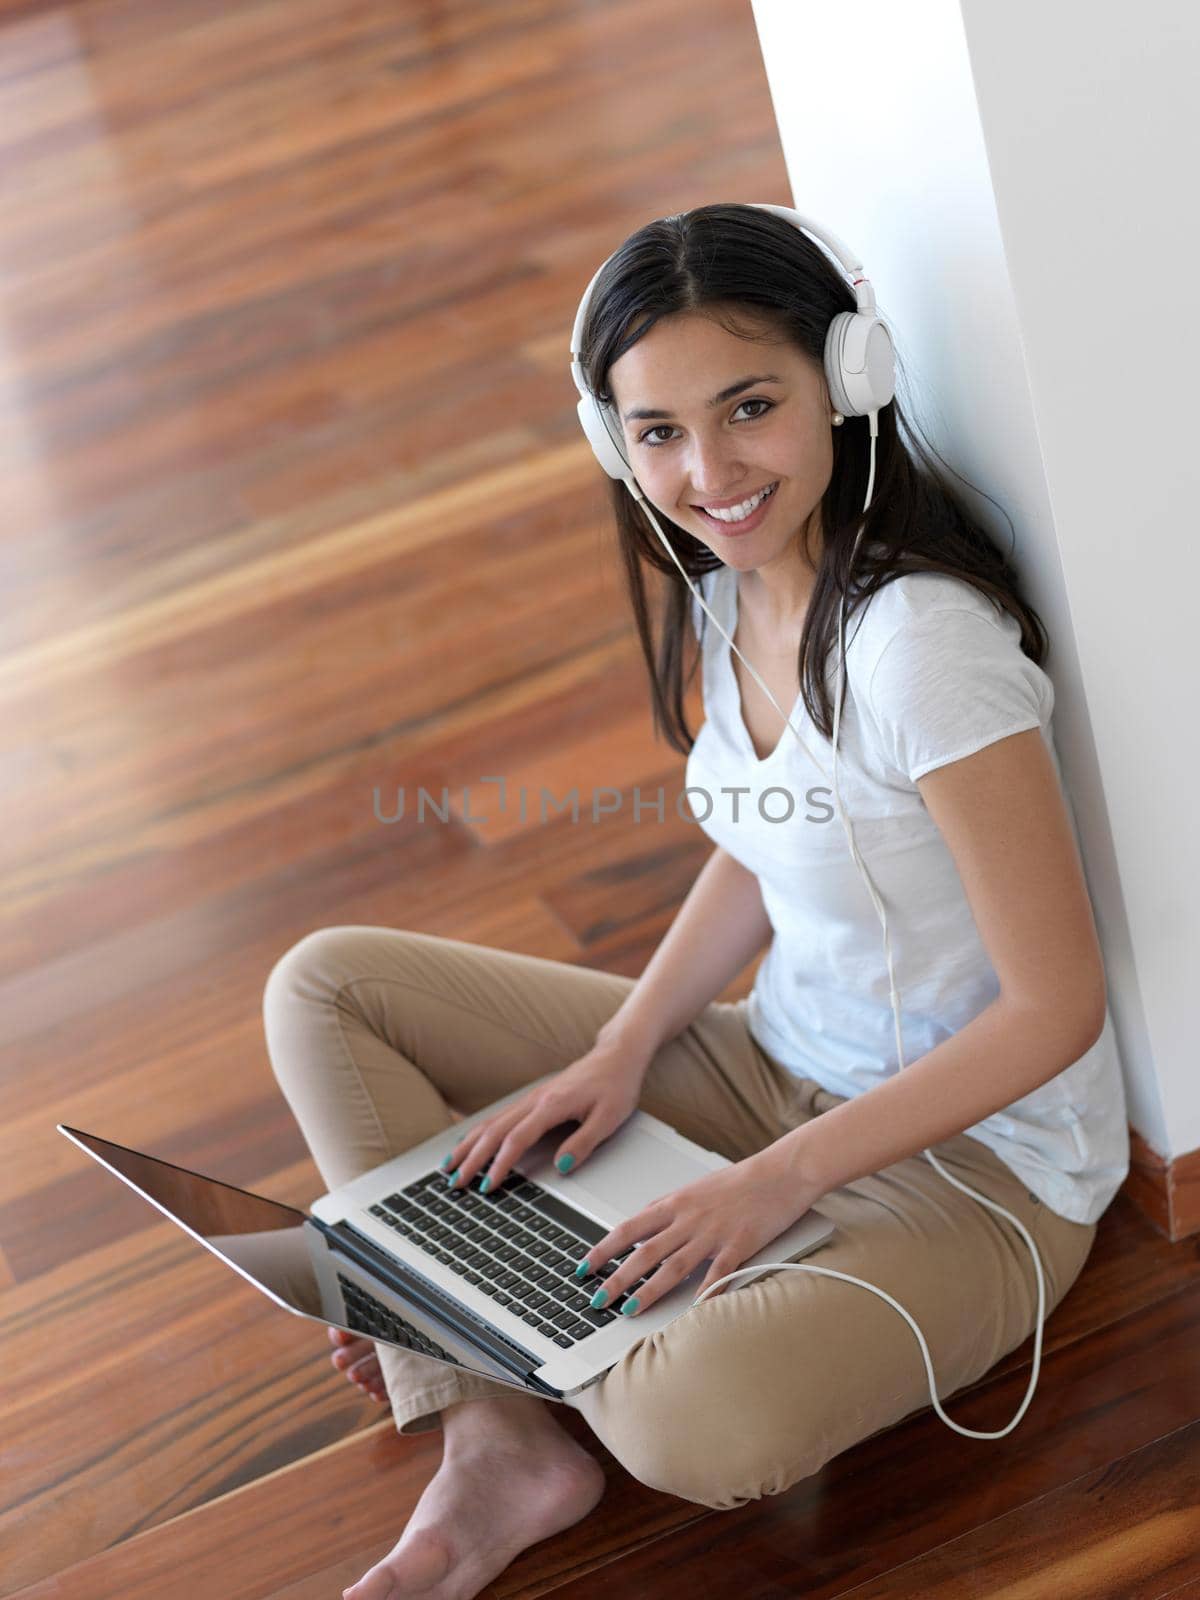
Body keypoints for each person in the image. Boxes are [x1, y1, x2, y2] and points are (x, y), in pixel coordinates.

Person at [261, 202, 1129, 1600]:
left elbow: (1055, 1008)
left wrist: (769, 1185)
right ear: (613, 440)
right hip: (773, 1064)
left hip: (979, 1173)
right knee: (325, 988)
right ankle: (497, 1433)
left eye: (749, 408)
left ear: (849, 383)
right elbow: (769, 838)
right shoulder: (733, 587)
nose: (709, 470)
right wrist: (623, 1052)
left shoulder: (925, 653)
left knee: (688, 1420)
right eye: (656, 430)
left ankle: (460, 1301)